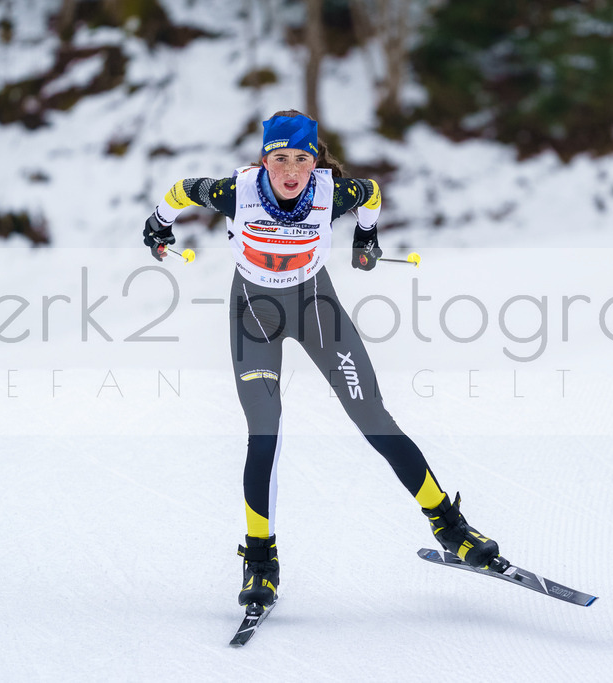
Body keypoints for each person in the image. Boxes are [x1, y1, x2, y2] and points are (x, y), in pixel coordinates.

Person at [142, 110, 500, 610]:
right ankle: (261, 562)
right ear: (265, 158)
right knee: (264, 430)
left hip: (316, 308)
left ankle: (451, 527)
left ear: (316, 162)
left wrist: (367, 238)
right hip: (254, 314)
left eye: (302, 160)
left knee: (372, 416)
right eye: (280, 157)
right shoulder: (233, 193)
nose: (291, 170)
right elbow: (181, 191)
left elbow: (372, 194)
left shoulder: (334, 194)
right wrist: (158, 225)